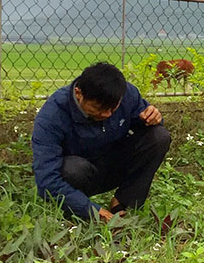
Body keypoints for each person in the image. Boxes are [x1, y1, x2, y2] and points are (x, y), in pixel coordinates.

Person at [31, 62, 170, 222]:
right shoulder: (52, 115)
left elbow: (148, 132)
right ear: (78, 93)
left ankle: (123, 202)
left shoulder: (126, 94)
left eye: (113, 108)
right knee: (72, 169)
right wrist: (93, 211)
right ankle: (76, 212)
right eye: (98, 108)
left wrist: (154, 118)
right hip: (81, 173)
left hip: (115, 164)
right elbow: (46, 180)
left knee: (159, 136)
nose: (107, 114)